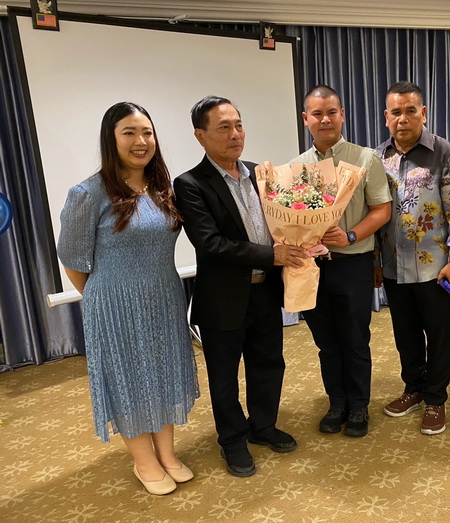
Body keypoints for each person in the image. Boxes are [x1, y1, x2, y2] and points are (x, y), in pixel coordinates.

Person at [57, 102, 199, 495]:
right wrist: (104, 300)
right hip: (114, 304)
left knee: (162, 373)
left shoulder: (161, 187)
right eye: (129, 132)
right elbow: (72, 261)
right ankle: (143, 460)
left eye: (147, 132)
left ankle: (166, 454)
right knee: (128, 381)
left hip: (164, 297)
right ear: (111, 138)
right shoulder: (88, 193)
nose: (141, 141)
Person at [174, 96, 307, 477]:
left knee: (268, 364)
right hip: (223, 298)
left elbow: (282, 223)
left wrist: (304, 236)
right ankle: (232, 439)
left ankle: (263, 426)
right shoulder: (190, 184)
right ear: (200, 135)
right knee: (224, 375)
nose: (235, 134)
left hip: (266, 290)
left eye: (239, 125)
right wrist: (271, 255)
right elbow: (210, 244)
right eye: (223, 128)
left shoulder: (260, 175)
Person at [291, 85, 392, 438]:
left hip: (353, 262)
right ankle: (337, 402)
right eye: (317, 114)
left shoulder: (365, 159)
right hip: (312, 268)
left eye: (331, 112)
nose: (325, 120)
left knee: (354, 339)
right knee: (326, 341)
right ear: (306, 119)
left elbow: (382, 210)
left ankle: (359, 405)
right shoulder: (295, 168)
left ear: (342, 115)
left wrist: (349, 235)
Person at [375, 81, 450, 435]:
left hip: (437, 268)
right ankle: (413, 388)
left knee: (439, 336)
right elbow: (373, 212)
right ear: (386, 117)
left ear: (423, 113)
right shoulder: (378, 157)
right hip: (393, 266)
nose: (403, 119)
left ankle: (435, 399)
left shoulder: (443, 152)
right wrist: (375, 261)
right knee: (406, 334)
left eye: (410, 111)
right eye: (396, 112)